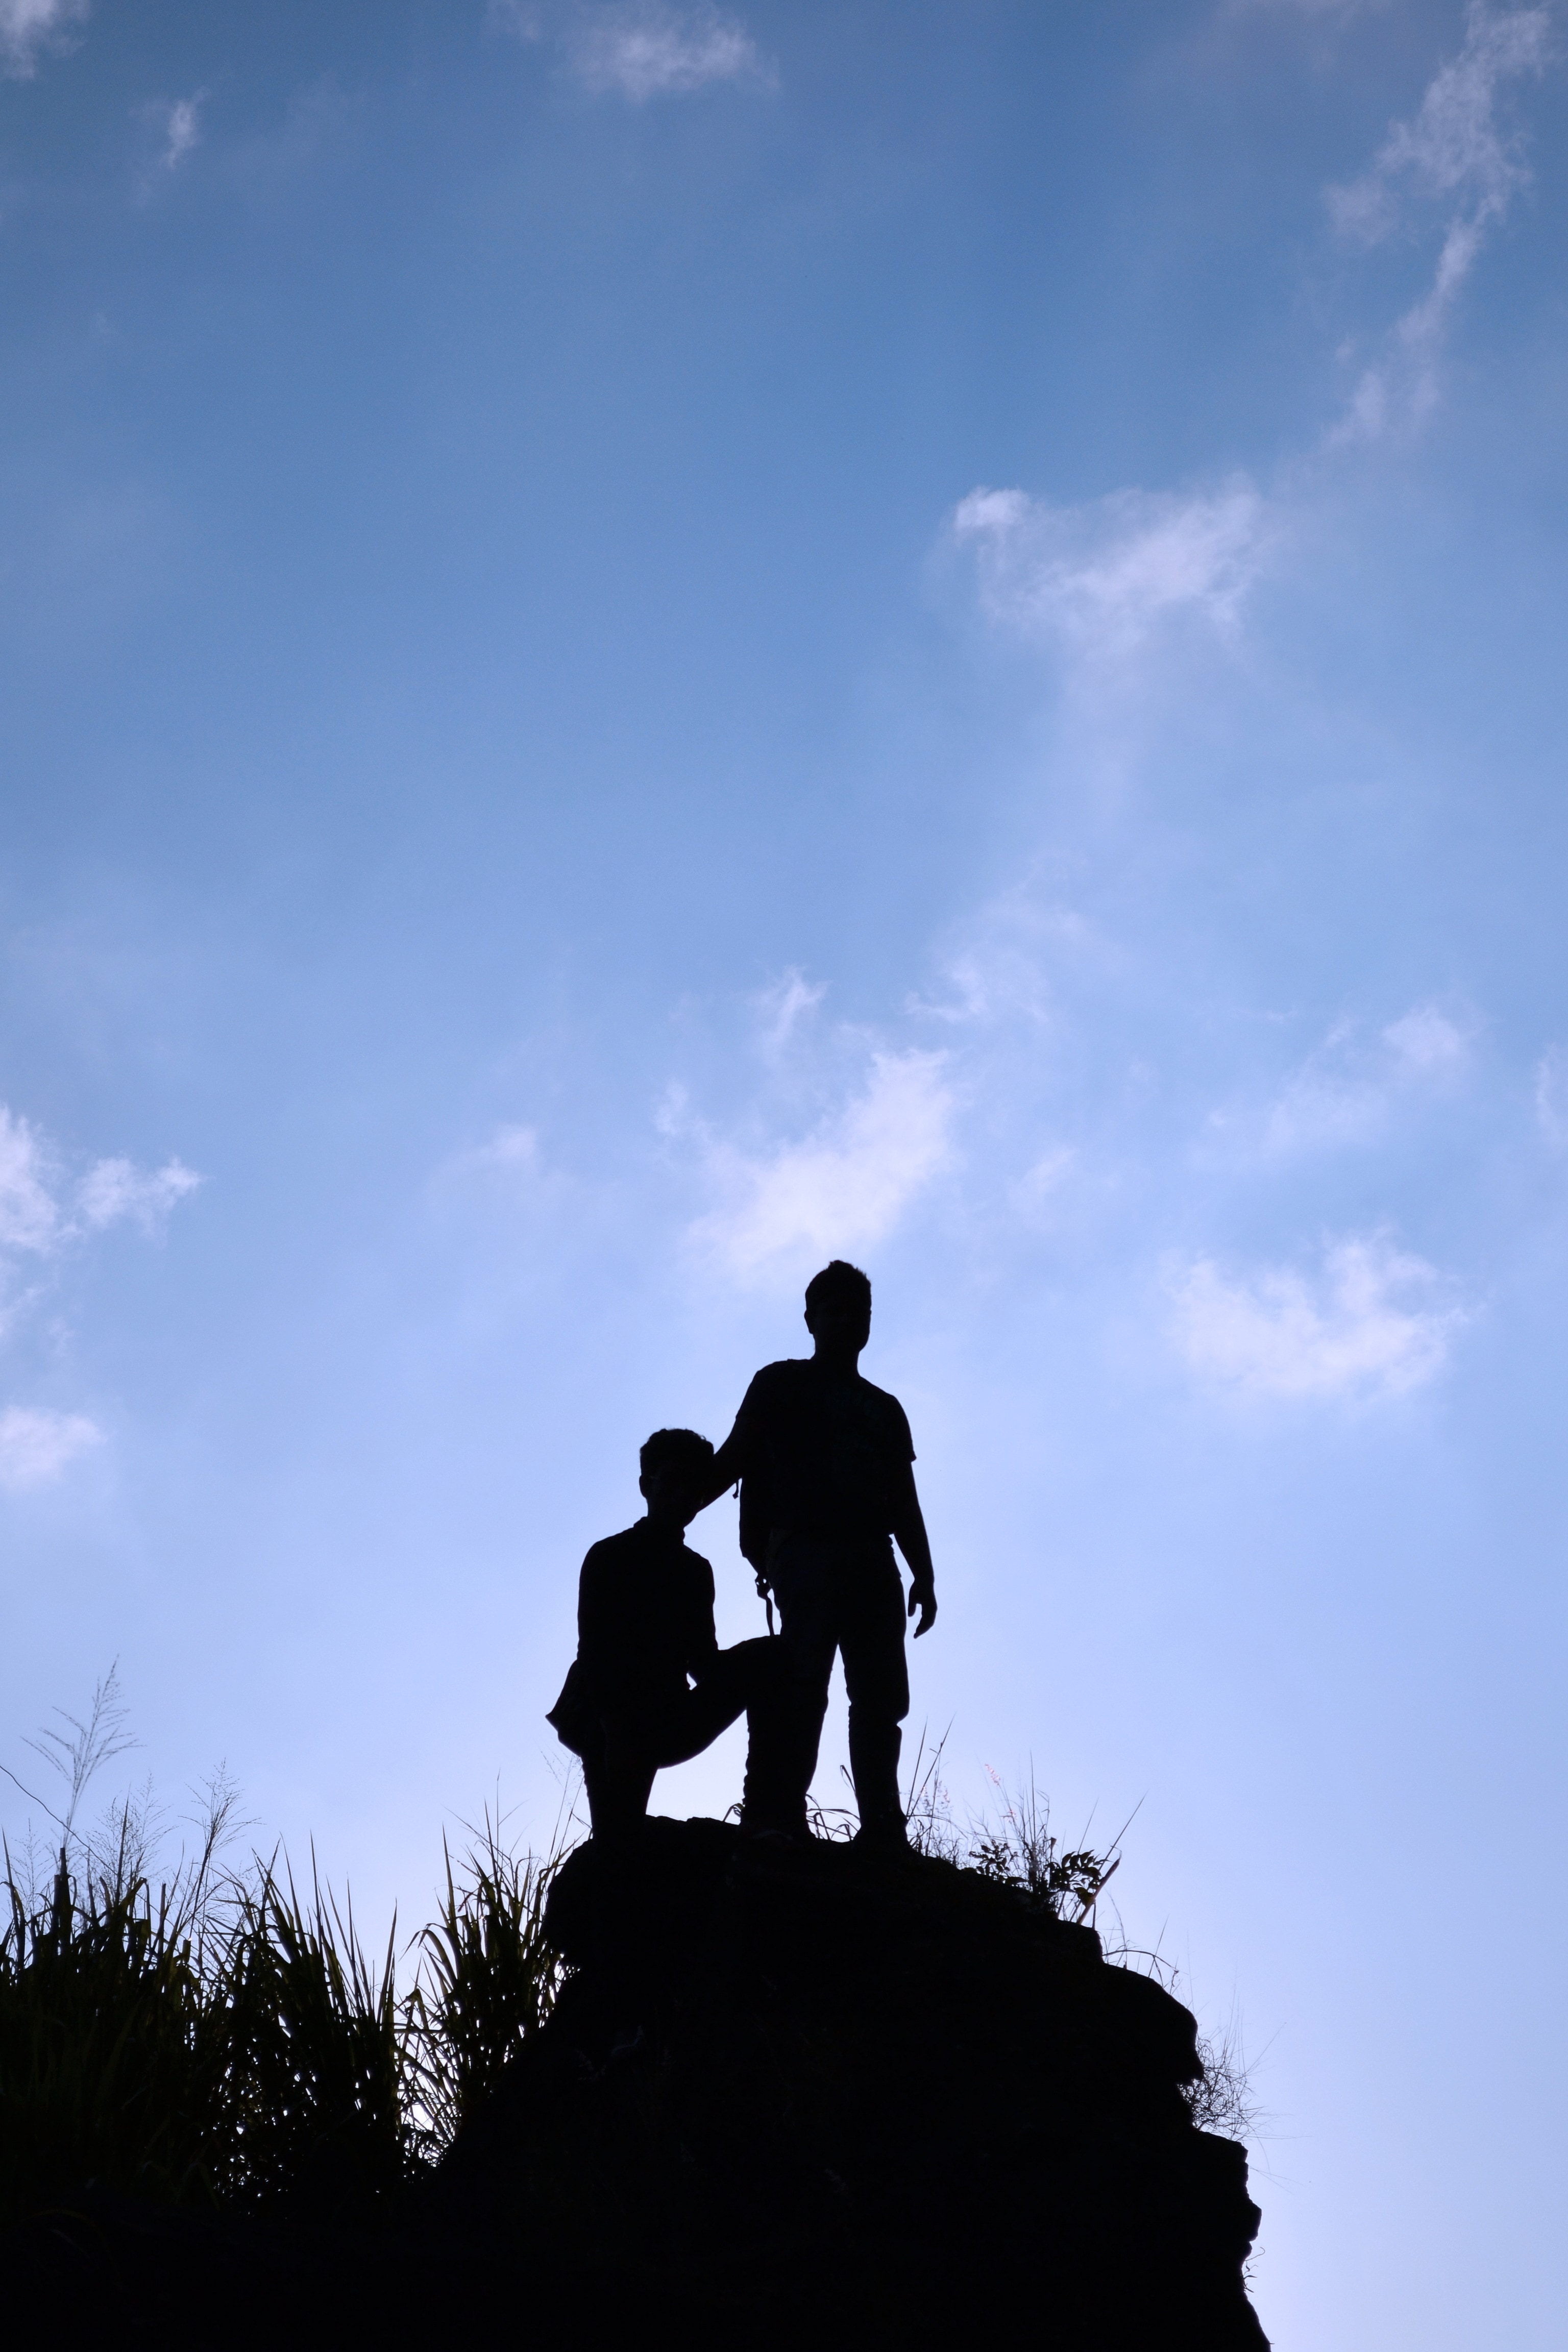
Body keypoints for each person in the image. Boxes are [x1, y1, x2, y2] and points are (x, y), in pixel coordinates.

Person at [696, 1260, 937, 1847]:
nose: (848, 1319)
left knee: (881, 1696)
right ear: (811, 1320)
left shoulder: (884, 1409)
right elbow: (734, 1457)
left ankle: (883, 1824)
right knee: (804, 1684)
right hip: (803, 1551)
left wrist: (923, 1574)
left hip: (871, 1557)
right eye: (835, 1309)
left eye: (859, 1310)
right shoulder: (779, 1384)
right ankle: (782, 1814)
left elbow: (903, 1500)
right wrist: (677, 1508)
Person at [547, 1426, 788, 1841]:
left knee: (770, 1658)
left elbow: (703, 1663)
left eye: (694, 1484)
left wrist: (758, 1660)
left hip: (669, 1716)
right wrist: (617, 1742)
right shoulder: (609, 1557)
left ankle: (765, 1807)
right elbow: (597, 1662)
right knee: (618, 1840)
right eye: (673, 1480)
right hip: (609, 1721)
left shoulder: (696, 1571)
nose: (684, 1495)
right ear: (647, 1485)